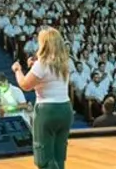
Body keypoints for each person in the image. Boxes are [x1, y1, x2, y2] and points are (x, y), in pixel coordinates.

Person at [11, 27, 72, 169]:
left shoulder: (42, 64)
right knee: (58, 154)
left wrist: (18, 70)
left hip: (47, 110)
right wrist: (33, 66)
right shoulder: (65, 62)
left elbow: (25, 85)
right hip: (65, 109)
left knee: (43, 156)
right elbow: (49, 77)